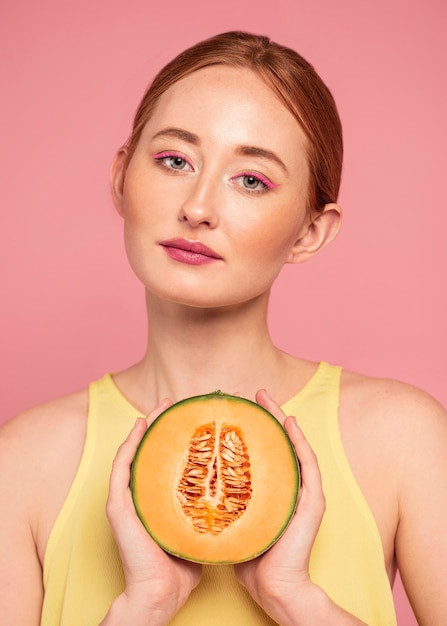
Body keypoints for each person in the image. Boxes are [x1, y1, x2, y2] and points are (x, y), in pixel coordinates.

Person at [0, 30, 446, 626]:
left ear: (311, 231)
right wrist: (143, 608)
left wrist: (296, 597)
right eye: (174, 161)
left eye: (252, 180)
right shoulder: (22, 462)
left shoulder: (405, 439)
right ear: (121, 177)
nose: (199, 207)